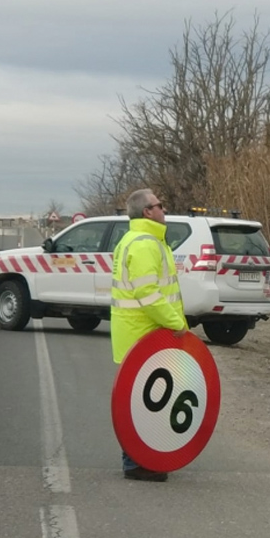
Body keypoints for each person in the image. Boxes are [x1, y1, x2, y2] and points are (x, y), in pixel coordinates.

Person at [111, 189, 187, 482]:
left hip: (139, 334)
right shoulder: (144, 244)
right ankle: (136, 463)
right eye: (160, 205)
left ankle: (140, 460)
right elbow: (148, 294)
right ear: (147, 211)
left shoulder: (143, 240)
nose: (164, 208)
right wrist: (176, 323)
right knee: (143, 403)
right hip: (144, 336)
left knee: (144, 400)